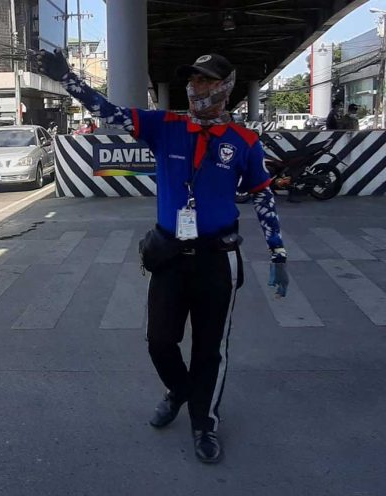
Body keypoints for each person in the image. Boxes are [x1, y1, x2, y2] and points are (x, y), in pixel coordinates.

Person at [36, 49, 289, 463]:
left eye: (207, 81)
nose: (196, 88)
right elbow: (110, 112)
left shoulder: (244, 141)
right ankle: (181, 390)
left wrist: (277, 251)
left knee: (210, 349)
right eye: (193, 80)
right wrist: (70, 81)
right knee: (159, 341)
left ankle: (204, 422)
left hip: (217, 258)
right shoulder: (165, 125)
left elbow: (263, 195)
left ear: (225, 88)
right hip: (169, 254)